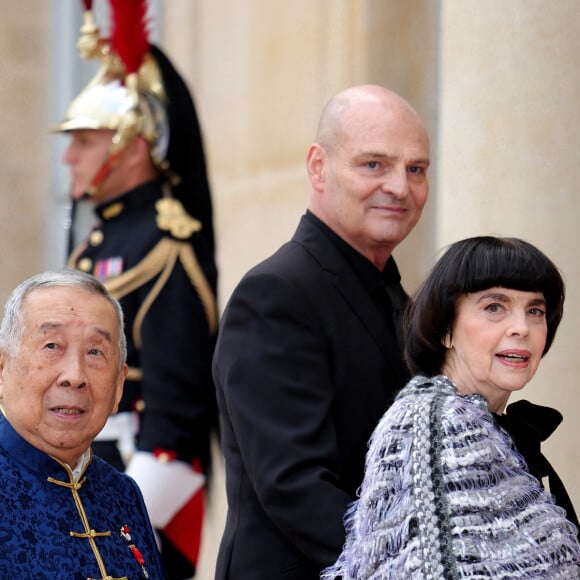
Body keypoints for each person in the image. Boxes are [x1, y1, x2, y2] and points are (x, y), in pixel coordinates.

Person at [213, 84, 431, 578]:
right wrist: (408, 568)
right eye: (374, 164)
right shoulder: (275, 294)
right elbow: (295, 485)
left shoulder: (396, 297)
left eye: (416, 169)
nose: (400, 186)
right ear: (318, 167)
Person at [52, 4, 218, 577]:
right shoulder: (98, 241)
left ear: (131, 147)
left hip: (141, 482)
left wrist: (114, 516)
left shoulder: (166, 245)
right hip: (82, 466)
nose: (69, 157)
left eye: (85, 142)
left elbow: (177, 416)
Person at [322, 236, 580, 579]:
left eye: (535, 310)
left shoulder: (481, 425)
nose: (522, 328)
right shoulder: (433, 423)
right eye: (494, 307)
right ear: (446, 329)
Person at [0, 269, 165, 578]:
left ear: (118, 386)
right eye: (52, 346)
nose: (74, 376)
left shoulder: (123, 495)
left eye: (95, 352)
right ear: (2, 369)